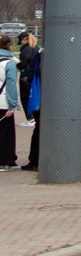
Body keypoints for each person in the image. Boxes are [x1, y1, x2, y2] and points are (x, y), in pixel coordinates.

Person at [0, 35, 19, 170]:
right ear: (9, 46)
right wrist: (13, 104)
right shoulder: (9, 63)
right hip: (4, 102)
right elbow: (11, 84)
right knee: (6, 134)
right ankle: (6, 161)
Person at [16, 32, 36, 127]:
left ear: (23, 40)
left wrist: (17, 65)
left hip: (25, 76)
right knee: (32, 97)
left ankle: (30, 118)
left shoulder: (25, 50)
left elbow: (23, 63)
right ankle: (33, 118)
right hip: (33, 76)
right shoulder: (35, 48)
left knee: (25, 98)